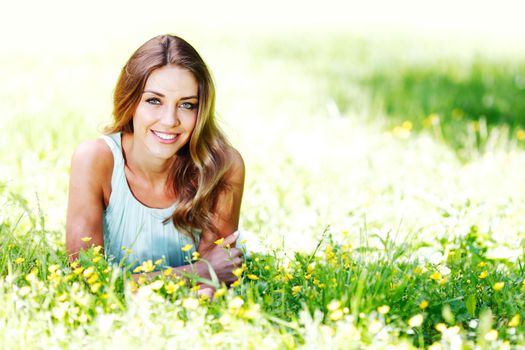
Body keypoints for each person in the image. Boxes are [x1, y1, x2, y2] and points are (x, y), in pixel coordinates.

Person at [66, 34, 245, 298]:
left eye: (187, 105)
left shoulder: (222, 166)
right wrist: (196, 272)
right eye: (154, 101)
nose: (170, 120)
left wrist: (203, 276)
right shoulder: (95, 160)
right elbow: (85, 279)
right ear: (131, 103)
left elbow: (216, 280)